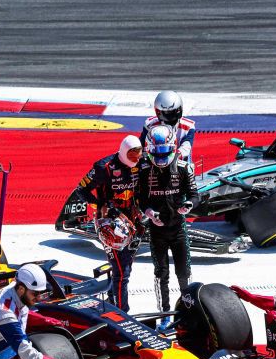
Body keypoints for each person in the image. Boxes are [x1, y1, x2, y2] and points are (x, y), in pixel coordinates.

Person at [73, 135, 143, 310]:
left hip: (132, 221)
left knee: (126, 266)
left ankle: (113, 301)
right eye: (132, 155)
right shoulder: (103, 167)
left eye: (138, 155)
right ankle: (122, 313)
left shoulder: (141, 164)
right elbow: (81, 189)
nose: (136, 159)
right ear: (124, 152)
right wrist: (101, 205)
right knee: (122, 272)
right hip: (110, 224)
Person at [136, 124, 196, 324]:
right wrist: (149, 212)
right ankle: (164, 316)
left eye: (164, 150)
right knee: (161, 274)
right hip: (157, 232)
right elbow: (140, 199)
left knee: (184, 273)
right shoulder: (144, 170)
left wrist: (189, 205)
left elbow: (195, 195)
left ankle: (187, 313)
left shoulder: (183, 167)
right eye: (157, 151)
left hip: (178, 229)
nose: (161, 156)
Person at [142, 90, 196, 165]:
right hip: (154, 160)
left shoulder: (188, 126)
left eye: (172, 112)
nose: (169, 116)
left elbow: (186, 146)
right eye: (165, 113)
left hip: (179, 162)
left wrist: (175, 156)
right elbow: (142, 145)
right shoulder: (149, 125)